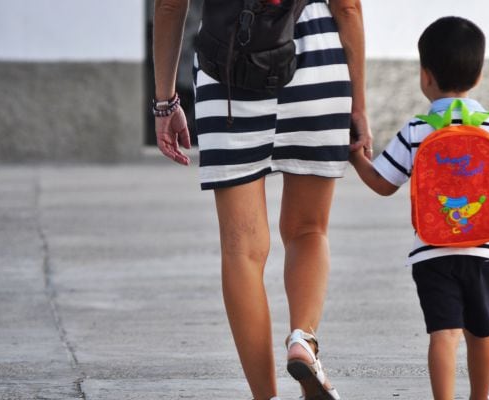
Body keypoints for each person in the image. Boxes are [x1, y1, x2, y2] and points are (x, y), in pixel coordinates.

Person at [152, 0, 372, 399]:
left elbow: (170, 6)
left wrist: (165, 101)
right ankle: (303, 341)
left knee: (242, 250)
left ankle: (265, 396)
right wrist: (359, 105)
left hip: (228, 73)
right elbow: (348, 7)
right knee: (308, 229)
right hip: (316, 62)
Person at [348, 17, 489, 400]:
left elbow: (383, 184)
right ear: (480, 74)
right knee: (481, 332)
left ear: (425, 75)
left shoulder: (417, 129)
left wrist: (357, 160)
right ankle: (480, 398)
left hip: (432, 252)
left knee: (443, 333)